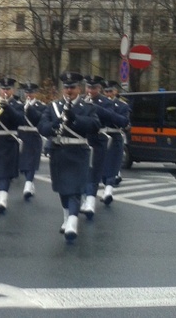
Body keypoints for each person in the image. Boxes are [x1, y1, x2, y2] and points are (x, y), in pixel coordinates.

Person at [38, 72, 100, 242]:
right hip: (59, 151)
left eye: (72, 87)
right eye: (66, 87)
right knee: (62, 189)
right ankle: (67, 217)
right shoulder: (54, 106)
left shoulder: (87, 107)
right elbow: (42, 126)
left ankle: (73, 220)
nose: (69, 90)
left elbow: (95, 125)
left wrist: (75, 118)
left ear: (79, 88)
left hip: (78, 151)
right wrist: (53, 126)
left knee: (75, 189)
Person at [81, 75, 128, 217]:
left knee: (95, 171)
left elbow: (114, 118)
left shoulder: (106, 102)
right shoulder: (80, 101)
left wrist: (94, 108)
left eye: (94, 88)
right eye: (88, 87)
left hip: (99, 139)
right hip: (82, 140)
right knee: (82, 172)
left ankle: (90, 201)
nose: (90, 90)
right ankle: (84, 199)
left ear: (99, 88)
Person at [0, 77, 24, 213]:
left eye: (8, 89)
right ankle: (0, 193)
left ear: (13, 90)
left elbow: (20, 120)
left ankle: (3, 197)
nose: (5, 91)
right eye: (3, 89)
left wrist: (8, 108)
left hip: (9, 140)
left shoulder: (18, 105)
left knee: (5, 173)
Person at [99, 80, 130, 203]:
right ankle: (105, 186)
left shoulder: (122, 105)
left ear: (116, 91)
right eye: (106, 91)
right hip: (101, 136)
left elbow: (124, 121)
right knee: (100, 165)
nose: (108, 94)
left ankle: (108, 192)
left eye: (110, 91)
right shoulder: (99, 103)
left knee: (112, 165)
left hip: (114, 136)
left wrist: (109, 114)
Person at [18, 82, 45, 200]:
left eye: (31, 92)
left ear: (36, 93)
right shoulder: (19, 105)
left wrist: (30, 108)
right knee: (23, 164)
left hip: (34, 135)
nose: (29, 94)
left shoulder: (41, 106)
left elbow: (39, 118)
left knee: (31, 163)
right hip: (22, 136)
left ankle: (28, 184)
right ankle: (30, 182)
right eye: (27, 92)